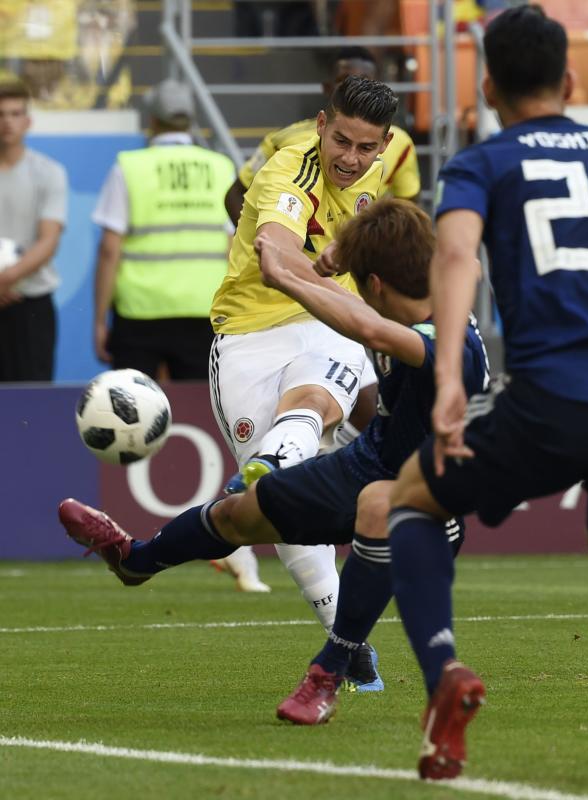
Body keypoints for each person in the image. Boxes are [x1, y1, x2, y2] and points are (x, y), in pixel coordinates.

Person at [384, 5, 588, 782]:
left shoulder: (485, 162)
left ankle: (445, 678)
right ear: (569, 79)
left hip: (555, 399)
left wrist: (450, 377)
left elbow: (456, 257)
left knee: (413, 497)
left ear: (488, 85)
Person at [57, 197, 489, 696]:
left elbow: (366, 325)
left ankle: (334, 666)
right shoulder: (425, 290)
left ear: (375, 284)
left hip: (428, 498)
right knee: (238, 513)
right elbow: (427, 278)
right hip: (369, 462)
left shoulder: (445, 339)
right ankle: (136, 561)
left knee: (377, 509)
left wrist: (286, 278)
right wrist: (331, 260)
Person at [208, 75, 400, 628]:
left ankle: (277, 461)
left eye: (366, 147)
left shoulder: (378, 171)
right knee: (276, 514)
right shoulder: (289, 170)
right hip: (247, 332)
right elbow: (283, 253)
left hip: (328, 322)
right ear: (321, 124)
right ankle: (352, 646)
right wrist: (324, 268)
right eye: (341, 140)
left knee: (314, 402)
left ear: (384, 145)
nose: (351, 157)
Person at [91, 79, 235, 381]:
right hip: (204, 307)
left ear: (153, 120)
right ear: (189, 122)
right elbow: (232, 246)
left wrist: (100, 320)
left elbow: (109, 249)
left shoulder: (129, 167)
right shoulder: (220, 167)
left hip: (139, 311)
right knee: (201, 408)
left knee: (131, 407)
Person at [224, 46, 420, 227]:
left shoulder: (400, 144)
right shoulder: (283, 141)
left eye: (366, 148)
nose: (350, 158)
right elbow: (235, 193)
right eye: (345, 81)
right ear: (328, 88)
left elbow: (410, 209)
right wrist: (257, 244)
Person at [0, 78, 67, 382]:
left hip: (32, 304)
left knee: (32, 400)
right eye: (1, 114)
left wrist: (7, 279)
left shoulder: (49, 172)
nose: (7, 122)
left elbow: (48, 240)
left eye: (15, 114)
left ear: (28, 121)